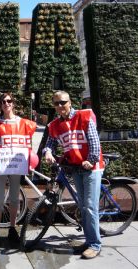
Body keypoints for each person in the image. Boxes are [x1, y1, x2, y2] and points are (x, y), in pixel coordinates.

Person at [43, 90, 105, 260]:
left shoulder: (83, 117)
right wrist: (48, 152)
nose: (60, 106)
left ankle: (94, 245)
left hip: (91, 167)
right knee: (83, 206)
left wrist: (91, 160)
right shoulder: (55, 125)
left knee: (90, 206)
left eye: (63, 102)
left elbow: (94, 141)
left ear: (70, 102)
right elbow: (50, 143)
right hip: (76, 167)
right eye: (56, 103)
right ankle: (89, 240)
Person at [0, 92, 37, 247]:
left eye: (9, 101)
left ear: (13, 103)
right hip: (1, 165)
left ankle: (12, 228)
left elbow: (28, 144)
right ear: (0, 105)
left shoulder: (25, 123)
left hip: (16, 165)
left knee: (14, 198)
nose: (6, 103)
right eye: (3, 101)